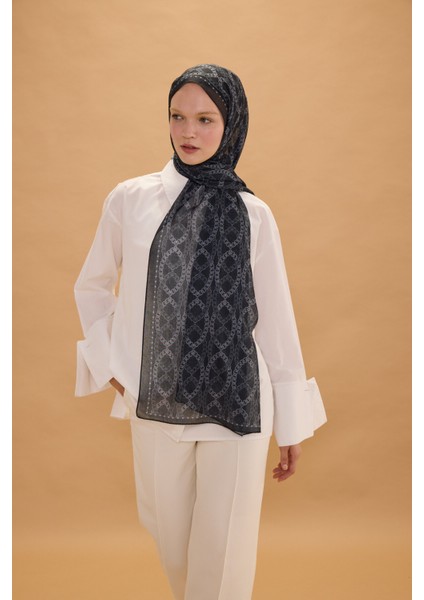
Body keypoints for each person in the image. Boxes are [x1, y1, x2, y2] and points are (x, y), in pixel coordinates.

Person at [74, 64, 327, 600]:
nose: (188, 132)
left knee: (225, 552)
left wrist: (292, 422)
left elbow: (276, 318)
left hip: (238, 401)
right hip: (156, 397)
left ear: (231, 124)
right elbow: (92, 286)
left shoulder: (252, 213)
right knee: (172, 543)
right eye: (178, 116)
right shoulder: (130, 199)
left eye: (206, 119)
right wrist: (111, 365)